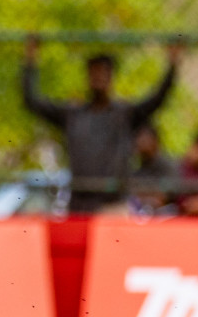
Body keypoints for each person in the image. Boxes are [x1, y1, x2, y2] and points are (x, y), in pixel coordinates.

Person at [22, 39, 182, 213]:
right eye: (94, 72)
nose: (98, 77)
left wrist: (172, 63)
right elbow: (33, 101)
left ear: (111, 76)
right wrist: (31, 60)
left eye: (103, 72)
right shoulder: (72, 114)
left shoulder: (125, 115)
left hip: (113, 205)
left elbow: (157, 99)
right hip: (79, 205)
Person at [128, 124, 176, 213]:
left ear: (155, 141)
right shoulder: (138, 169)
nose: (139, 143)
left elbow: (165, 195)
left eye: (144, 139)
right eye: (138, 139)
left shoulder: (167, 166)